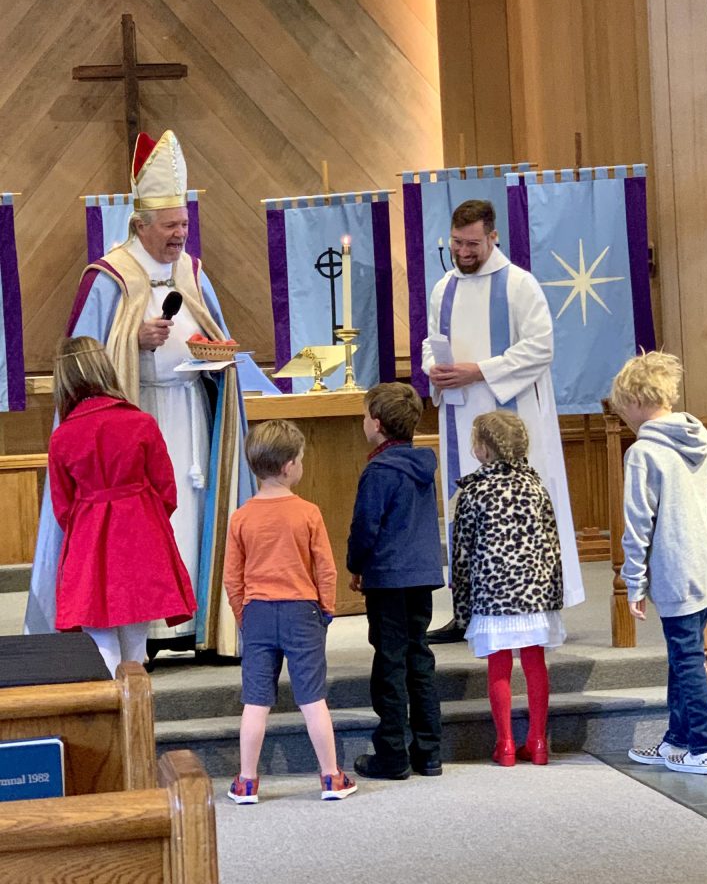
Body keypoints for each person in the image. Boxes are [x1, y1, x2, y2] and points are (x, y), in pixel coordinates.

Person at [25, 129, 278, 658]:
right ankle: (149, 633)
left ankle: (198, 622)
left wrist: (213, 355)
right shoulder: (110, 276)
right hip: (138, 420)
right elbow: (83, 357)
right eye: (170, 226)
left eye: (184, 224)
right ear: (140, 225)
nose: (179, 235)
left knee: (197, 512)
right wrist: (133, 341)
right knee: (153, 521)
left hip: (191, 412)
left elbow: (212, 326)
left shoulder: (191, 271)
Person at [422, 199, 584, 643]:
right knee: (466, 512)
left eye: (472, 243)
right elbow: (431, 341)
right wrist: (433, 368)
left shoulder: (519, 285)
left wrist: (479, 370)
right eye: (457, 242)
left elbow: (540, 348)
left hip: (512, 416)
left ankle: (538, 607)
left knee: (519, 512)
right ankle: (465, 608)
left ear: (493, 237)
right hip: (460, 417)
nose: (464, 251)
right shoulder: (443, 289)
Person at [223, 419, 357, 803]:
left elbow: (233, 577)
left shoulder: (241, 516)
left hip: (258, 613)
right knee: (313, 699)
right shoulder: (308, 512)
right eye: (300, 459)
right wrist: (326, 610)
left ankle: (246, 782)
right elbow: (325, 568)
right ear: (287, 466)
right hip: (302, 612)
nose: (301, 464)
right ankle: (331, 777)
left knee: (256, 701)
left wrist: (243, 615)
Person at [48, 336, 196, 677]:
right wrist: (145, 517)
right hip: (141, 534)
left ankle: (117, 722)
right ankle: (137, 723)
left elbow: (63, 507)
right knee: (135, 645)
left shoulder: (63, 436)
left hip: (89, 540)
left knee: (101, 640)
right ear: (106, 370)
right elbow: (166, 491)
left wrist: (90, 520)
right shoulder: (140, 422)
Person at [610, 351, 707, 775]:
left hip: (676, 565)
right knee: (684, 653)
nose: (625, 420)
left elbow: (639, 523)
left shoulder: (643, 452)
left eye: (624, 413)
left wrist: (633, 582)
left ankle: (704, 748)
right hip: (705, 559)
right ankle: (677, 740)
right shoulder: (699, 437)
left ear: (636, 401)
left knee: (688, 658)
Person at [452, 411, 564, 766]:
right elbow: (552, 545)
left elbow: (462, 554)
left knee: (499, 666)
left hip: (493, 595)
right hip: (534, 593)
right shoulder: (536, 487)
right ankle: (539, 742)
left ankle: (504, 745)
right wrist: (553, 596)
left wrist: (462, 606)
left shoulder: (475, 491)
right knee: (534, 663)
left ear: (483, 449)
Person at [347, 382, 444, 780]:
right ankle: (428, 751)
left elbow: (366, 526)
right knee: (418, 656)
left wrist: (356, 565)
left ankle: (392, 753)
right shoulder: (423, 466)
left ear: (376, 423)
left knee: (389, 662)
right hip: (421, 574)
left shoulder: (379, 470)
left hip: (387, 577)